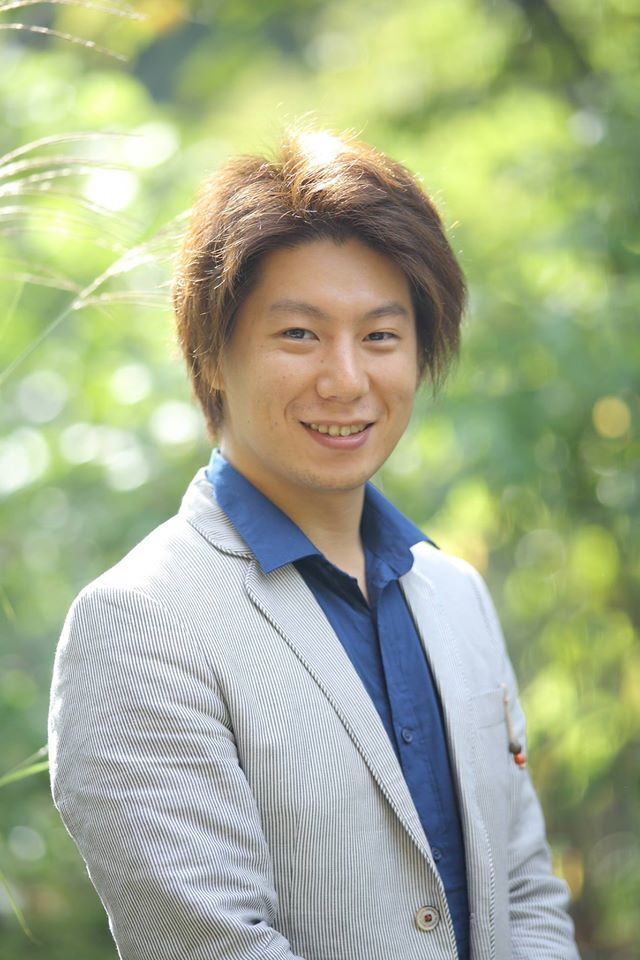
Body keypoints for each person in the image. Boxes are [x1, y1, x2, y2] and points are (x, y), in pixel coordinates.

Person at [48, 129, 580, 960]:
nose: (346, 380)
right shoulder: (141, 623)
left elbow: (526, 897)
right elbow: (215, 945)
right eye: (299, 334)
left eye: (381, 336)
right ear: (211, 355)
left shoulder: (455, 594)